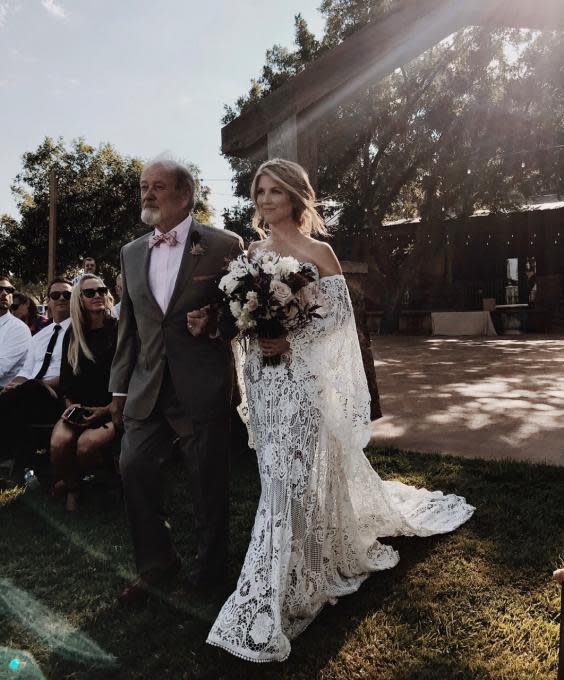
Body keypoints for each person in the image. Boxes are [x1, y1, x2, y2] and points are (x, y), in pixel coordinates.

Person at [207, 159, 475, 662]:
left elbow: (334, 323)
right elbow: (242, 320)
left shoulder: (317, 252)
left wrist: (289, 334)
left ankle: (279, 588)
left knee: (294, 478)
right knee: (277, 478)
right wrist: (254, 329)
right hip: (267, 384)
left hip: (304, 383)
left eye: (274, 191)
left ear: (295, 198)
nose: (264, 200)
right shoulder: (252, 255)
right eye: (258, 191)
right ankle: (300, 564)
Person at [108, 157, 243, 605]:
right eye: (144, 186)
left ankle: (208, 571)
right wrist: (118, 389)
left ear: (185, 195)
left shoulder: (225, 245)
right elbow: (130, 326)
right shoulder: (130, 252)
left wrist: (218, 322)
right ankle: (156, 564)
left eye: (158, 187)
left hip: (201, 386)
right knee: (133, 467)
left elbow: (246, 311)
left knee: (208, 480)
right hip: (147, 388)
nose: (147, 194)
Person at [49, 274, 118, 512]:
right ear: (80, 299)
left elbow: (129, 381)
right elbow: (66, 380)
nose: (98, 295)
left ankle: (90, 482)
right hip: (79, 408)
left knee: (86, 445)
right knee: (59, 442)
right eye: (90, 292)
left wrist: (106, 409)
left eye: (101, 290)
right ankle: (74, 487)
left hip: (112, 409)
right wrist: (69, 405)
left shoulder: (119, 330)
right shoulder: (73, 334)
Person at [0, 278, 72, 464]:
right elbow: (26, 370)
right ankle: (11, 457)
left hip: (58, 395)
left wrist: (26, 385)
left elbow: (71, 376)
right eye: (55, 295)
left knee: (31, 387)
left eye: (67, 295)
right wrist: (14, 384)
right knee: (19, 391)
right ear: (48, 300)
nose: (61, 299)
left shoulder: (80, 333)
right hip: (29, 393)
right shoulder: (40, 336)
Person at [0, 275, 32, 389]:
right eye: (0, 289)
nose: (4, 293)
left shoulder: (18, 329)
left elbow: (1, 368)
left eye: (9, 290)